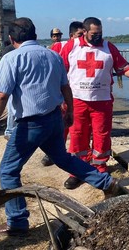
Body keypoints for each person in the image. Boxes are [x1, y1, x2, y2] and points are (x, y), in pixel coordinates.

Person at [0, 17, 121, 236]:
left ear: (11, 38)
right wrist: (71, 112)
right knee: (64, 159)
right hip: (54, 119)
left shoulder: (12, 58)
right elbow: (66, 87)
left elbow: (0, 96)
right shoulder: (53, 55)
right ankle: (107, 183)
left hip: (30, 124)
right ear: (35, 35)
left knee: (8, 172)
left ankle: (17, 223)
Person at [60, 17, 129, 189]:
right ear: (84, 32)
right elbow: (60, 71)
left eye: (100, 33)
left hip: (102, 101)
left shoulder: (108, 48)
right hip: (77, 100)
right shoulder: (72, 46)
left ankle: (100, 168)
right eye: (94, 34)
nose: (98, 37)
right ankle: (77, 171)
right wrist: (60, 98)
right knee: (77, 135)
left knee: (102, 135)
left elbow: (123, 67)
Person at [40, 20, 85, 167]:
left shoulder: (88, 49)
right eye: (79, 34)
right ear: (72, 35)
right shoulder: (60, 47)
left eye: (84, 34)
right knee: (62, 125)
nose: (82, 37)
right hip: (64, 93)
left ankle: (76, 155)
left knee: (78, 127)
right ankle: (54, 152)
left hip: (80, 95)